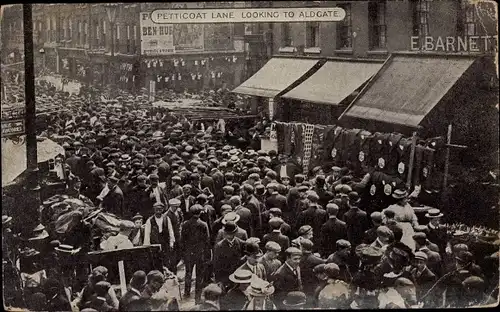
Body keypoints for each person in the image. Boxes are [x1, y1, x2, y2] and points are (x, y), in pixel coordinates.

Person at [180, 204, 211, 301]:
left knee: (188, 273)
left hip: (189, 253)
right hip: (199, 253)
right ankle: (197, 296)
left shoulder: (185, 224)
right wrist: (207, 255)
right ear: (199, 213)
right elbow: (207, 240)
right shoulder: (203, 224)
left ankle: (186, 293)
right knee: (199, 275)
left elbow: (182, 240)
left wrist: (183, 253)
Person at [213, 221, 246, 290]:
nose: (229, 236)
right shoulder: (219, 246)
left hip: (238, 277)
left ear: (235, 233)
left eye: (231, 233)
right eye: (228, 233)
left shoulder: (241, 243)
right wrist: (219, 281)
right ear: (225, 233)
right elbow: (216, 265)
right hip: (225, 278)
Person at [143, 203, 176, 269]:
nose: (158, 211)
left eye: (160, 210)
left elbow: (171, 231)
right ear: (154, 210)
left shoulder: (166, 218)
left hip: (165, 243)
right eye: (156, 210)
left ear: (163, 210)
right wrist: (147, 245)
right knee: (156, 262)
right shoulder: (149, 220)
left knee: (166, 261)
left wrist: (171, 243)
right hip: (154, 244)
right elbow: (147, 234)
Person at [298, 238, 326, 307]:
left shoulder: (298, 259)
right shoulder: (318, 260)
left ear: (303, 248)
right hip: (315, 286)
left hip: (302, 286)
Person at [165, 198, 183, 274]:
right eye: (174, 207)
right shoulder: (167, 215)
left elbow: (181, 221)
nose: (176, 208)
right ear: (170, 206)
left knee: (179, 254)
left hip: (179, 237)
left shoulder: (178, 211)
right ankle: (172, 272)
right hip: (172, 238)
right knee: (173, 257)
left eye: (177, 206)